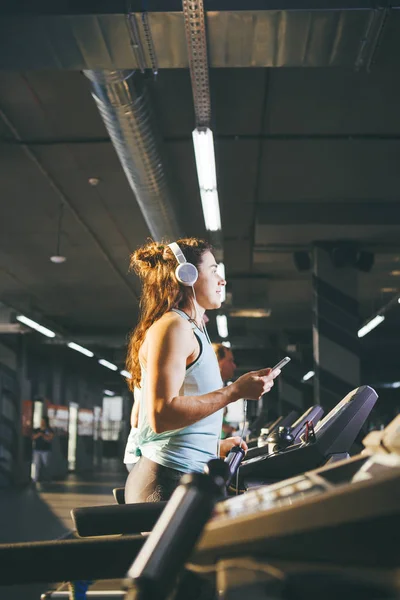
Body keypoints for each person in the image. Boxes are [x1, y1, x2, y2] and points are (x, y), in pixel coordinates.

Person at [124, 238, 280, 503]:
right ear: (188, 276)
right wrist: (234, 392)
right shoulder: (173, 327)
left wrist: (213, 447)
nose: (222, 280)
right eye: (213, 270)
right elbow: (162, 415)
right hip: (166, 479)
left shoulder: (192, 330)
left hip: (182, 473)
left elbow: (179, 422)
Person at [213, 343, 237, 439]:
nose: (234, 366)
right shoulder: (209, 387)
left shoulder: (221, 385)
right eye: (230, 361)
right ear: (218, 362)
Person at [32, 416, 54, 483]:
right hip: (37, 450)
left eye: (43, 421)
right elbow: (33, 437)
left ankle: (47, 478)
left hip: (46, 450)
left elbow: (49, 439)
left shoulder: (49, 430)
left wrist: (43, 435)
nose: (42, 423)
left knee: (46, 464)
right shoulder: (37, 429)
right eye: (41, 421)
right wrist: (39, 434)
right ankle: (35, 478)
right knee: (36, 465)